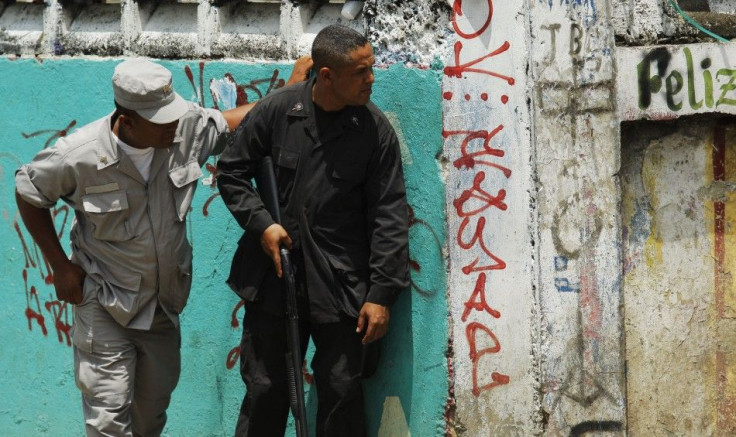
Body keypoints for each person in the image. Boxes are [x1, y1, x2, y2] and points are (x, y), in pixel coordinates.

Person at [14, 57, 312, 436]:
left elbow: (235, 122)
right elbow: (29, 192)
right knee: (108, 422)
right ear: (128, 120)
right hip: (106, 301)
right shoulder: (79, 155)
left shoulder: (183, 126)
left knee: (150, 420)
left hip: (162, 309)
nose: (173, 126)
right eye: (162, 122)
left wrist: (286, 91)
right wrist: (60, 266)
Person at [217, 24, 410, 437]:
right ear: (326, 76)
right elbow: (232, 173)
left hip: (341, 289)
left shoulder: (374, 132)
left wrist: (381, 295)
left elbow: (389, 214)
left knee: (341, 395)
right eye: (360, 72)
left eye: (371, 68)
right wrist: (263, 225)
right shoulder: (276, 111)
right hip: (274, 280)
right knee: (265, 391)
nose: (371, 80)